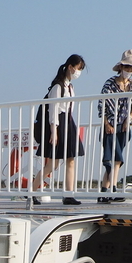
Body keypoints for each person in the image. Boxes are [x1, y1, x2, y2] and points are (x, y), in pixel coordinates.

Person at [31, 54, 86, 205]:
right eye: (78, 68)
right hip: (58, 124)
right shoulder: (58, 86)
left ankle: (68, 195)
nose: (78, 72)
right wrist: (54, 131)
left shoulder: (70, 86)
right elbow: (53, 110)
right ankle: (31, 192)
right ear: (70, 67)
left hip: (68, 123)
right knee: (52, 164)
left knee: (71, 160)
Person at [98, 50, 132, 203]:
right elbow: (102, 105)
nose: (129, 71)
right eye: (127, 67)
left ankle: (104, 193)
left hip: (124, 126)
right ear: (121, 67)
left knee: (115, 159)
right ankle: (112, 190)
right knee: (114, 159)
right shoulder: (110, 83)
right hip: (110, 125)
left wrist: (128, 119)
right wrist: (106, 123)